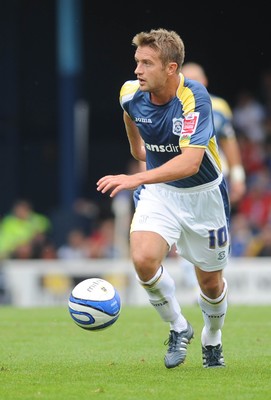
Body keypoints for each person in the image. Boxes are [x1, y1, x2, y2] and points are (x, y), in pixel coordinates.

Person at [97, 28, 230, 369]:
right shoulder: (131, 92)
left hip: (204, 197)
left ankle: (211, 337)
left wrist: (134, 176)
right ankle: (178, 326)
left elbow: (190, 162)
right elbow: (129, 112)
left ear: (171, 68)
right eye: (137, 62)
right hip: (161, 194)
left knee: (211, 284)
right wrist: (136, 149)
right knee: (143, 260)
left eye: (147, 63)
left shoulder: (194, 98)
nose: (138, 71)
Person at [181, 62, 246, 205]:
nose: (192, 83)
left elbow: (229, 142)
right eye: (187, 80)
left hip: (215, 175)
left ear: (205, 80)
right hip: (182, 177)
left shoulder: (219, 106)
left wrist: (238, 177)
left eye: (196, 78)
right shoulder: (172, 107)